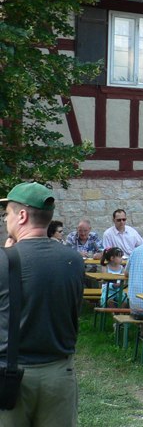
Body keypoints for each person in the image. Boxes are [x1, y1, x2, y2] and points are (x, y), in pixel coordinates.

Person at [0, 182, 84, 426]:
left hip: (10, 375)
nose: (6, 220)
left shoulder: (4, 261)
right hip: (60, 373)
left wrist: (8, 257)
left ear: (22, 216)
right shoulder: (74, 260)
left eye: (8, 214)